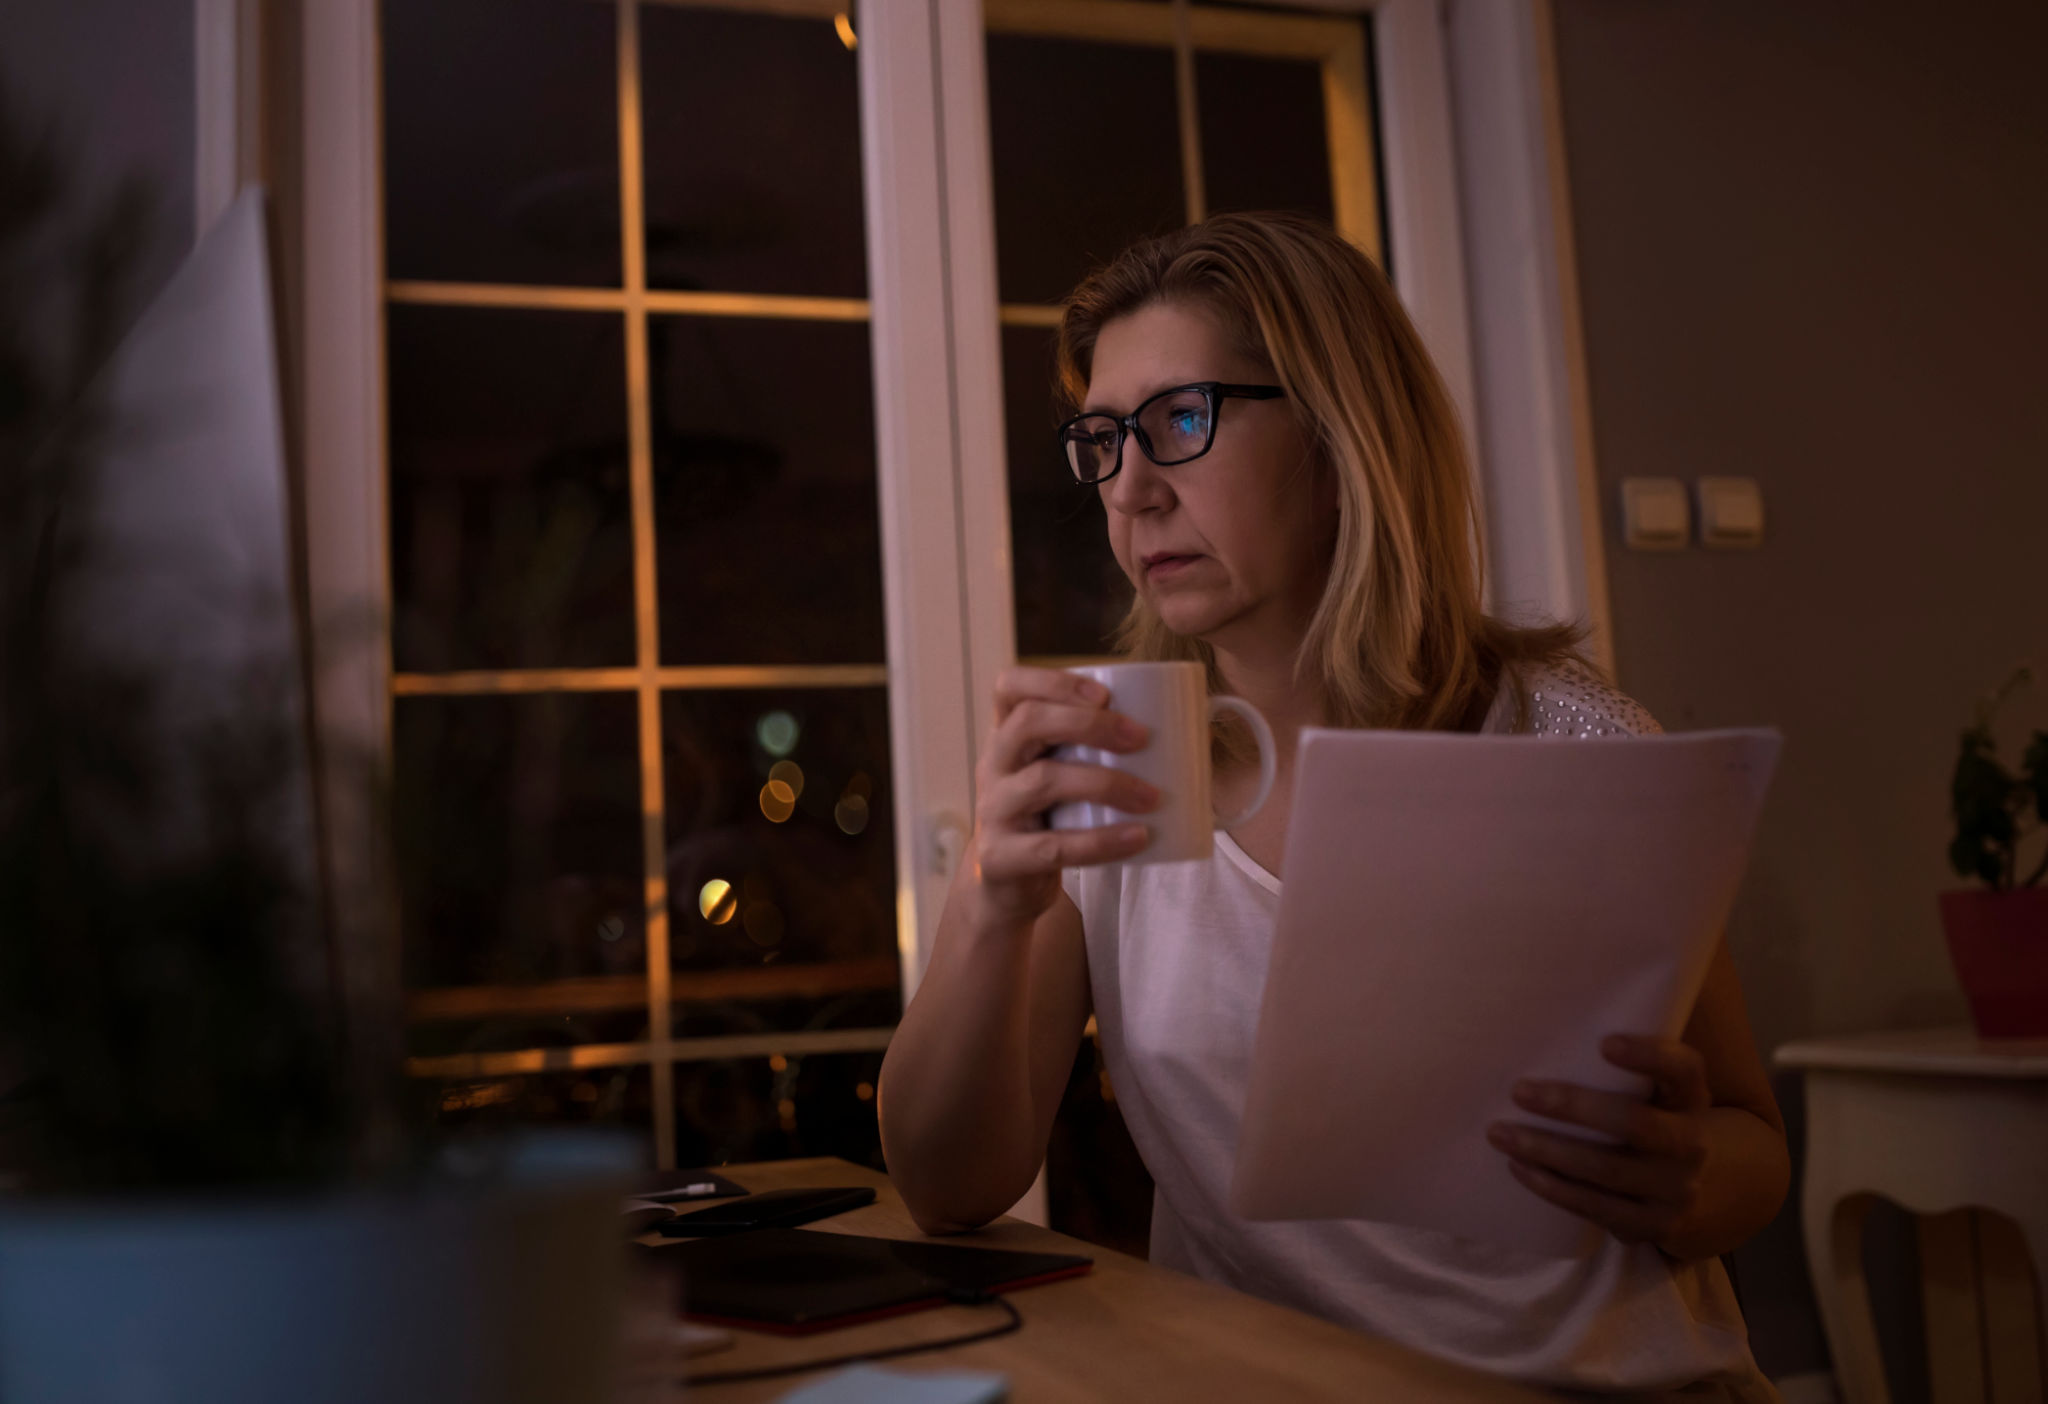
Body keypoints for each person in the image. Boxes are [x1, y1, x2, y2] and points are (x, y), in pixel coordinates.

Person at [877, 213, 1788, 1398]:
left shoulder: (1568, 744)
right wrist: (993, 908)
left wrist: (1685, 1176)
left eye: (1180, 421)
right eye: (1102, 439)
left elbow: (1751, 1152)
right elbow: (948, 1188)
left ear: (1338, 431)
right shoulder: (1117, 777)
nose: (1131, 490)